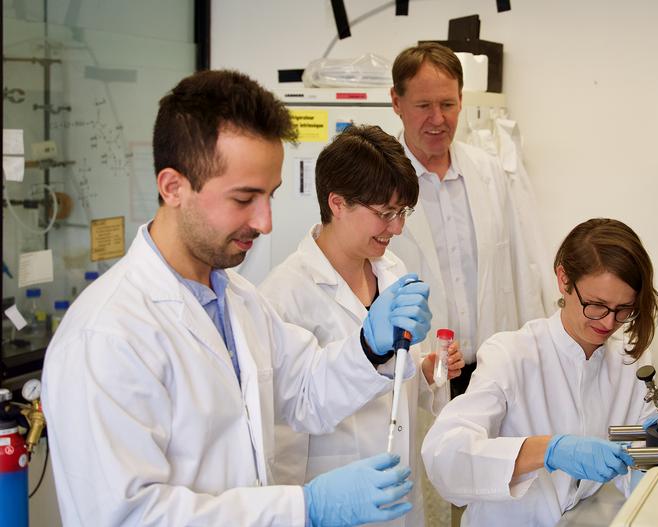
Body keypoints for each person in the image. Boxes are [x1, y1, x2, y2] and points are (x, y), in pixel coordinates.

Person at [41, 70, 434, 527]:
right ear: (173, 187)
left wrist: (370, 345)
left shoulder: (237, 300)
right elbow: (127, 517)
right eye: (245, 198)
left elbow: (306, 391)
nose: (266, 222)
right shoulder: (107, 334)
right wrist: (303, 509)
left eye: (270, 196)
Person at [259, 124, 464, 526]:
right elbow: (285, 428)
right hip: (333, 499)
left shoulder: (392, 271)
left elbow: (397, 379)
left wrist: (425, 372)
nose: (398, 228)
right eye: (385, 213)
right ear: (337, 203)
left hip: (397, 490)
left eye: (402, 212)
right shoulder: (283, 296)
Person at [421, 218, 658, 526]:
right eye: (597, 305)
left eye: (624, 310)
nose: (608, 323)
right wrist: (547, 450)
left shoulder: (632, 361)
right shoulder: (510, 354)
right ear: (563, 279)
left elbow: (643, 461)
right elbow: (446, 459)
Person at [388, 42, 549, 398]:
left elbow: (521, 268)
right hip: (420, 374)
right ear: (396, 103)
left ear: (462, 100)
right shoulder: (379, 182)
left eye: (447, 104)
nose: (438, 119)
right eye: (423, 105)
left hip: (490, 370)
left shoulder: (488, 171)